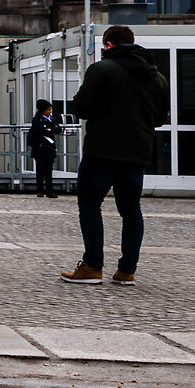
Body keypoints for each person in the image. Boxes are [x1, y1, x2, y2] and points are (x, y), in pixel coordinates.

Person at [61, 23, 167, 285]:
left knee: (89, 205)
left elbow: (82, 107)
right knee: (131, 210)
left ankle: (92, 266)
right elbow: (160, 119)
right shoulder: (157, 77)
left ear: (108, 45)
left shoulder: (101, 70)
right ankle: (127, 271)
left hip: (102, 150)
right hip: (137, 152)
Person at [26, 98, 60, 198]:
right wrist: (50, 130)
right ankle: (40, 190)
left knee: (49, 171)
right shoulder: (37, 119)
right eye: (48, 109)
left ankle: (50, 191)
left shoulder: (52, 119)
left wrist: (50, 129)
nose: (50, 111)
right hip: (40, 147)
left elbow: (58, 129)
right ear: (43, 110)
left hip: (49, 148)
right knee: (40, 170)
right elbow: (41, 130)